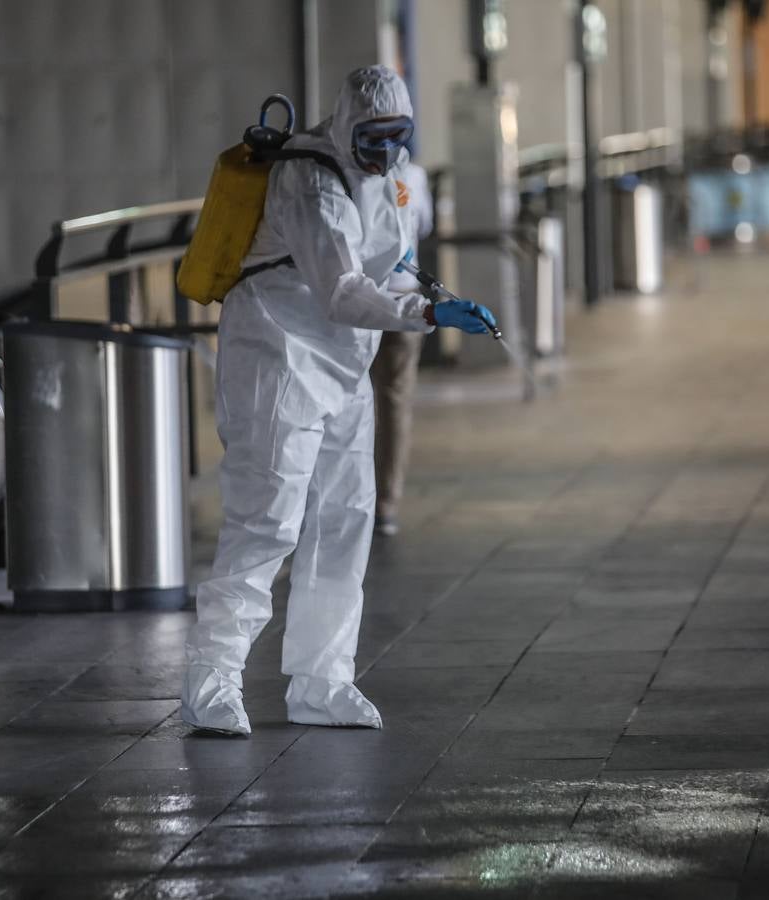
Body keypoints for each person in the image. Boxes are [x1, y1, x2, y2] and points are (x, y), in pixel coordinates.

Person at [181, 66, 497, 736]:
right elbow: (342, 292)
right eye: (373, 138)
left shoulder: (398, 178)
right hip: (278, 356)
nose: (385, 152)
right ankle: (212, 679)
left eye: (397, 138)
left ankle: (322, 681)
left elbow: (396, 245)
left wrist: (423, 290)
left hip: (345, 366)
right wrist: (431, 313)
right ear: (347, 127)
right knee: (266, 520)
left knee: (343, 520)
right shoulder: (309, 179)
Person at [371, 160, 434, 537]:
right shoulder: (413, 176)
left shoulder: (343, 171)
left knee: (346, 400)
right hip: (403, 298)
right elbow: (423, 225)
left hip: (359, 297)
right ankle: (385, 504)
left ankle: (347, 500)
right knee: (394, 401)